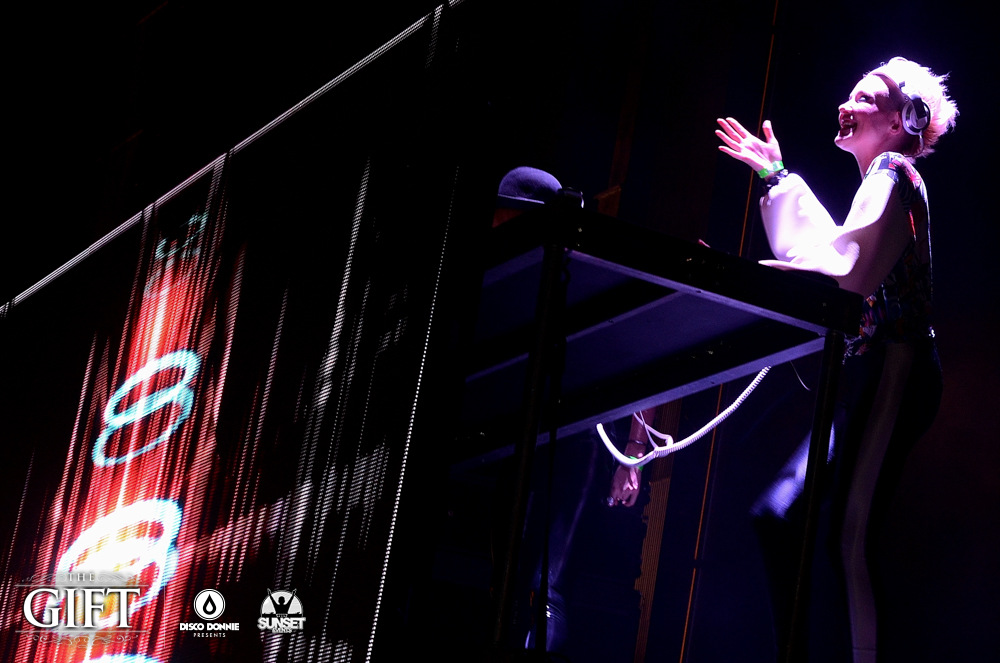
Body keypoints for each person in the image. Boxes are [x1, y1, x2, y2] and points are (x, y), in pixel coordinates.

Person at [714, 57, 958, 663]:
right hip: (874, 376)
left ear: (904, 120)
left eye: (865, 98)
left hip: (896, 370)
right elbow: (831, 250)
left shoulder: (894, 173)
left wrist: (745, 275)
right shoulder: (879, 183)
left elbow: (843, 270)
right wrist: (777, 176)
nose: (847, 104)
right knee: (778, 517)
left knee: (849, 541)